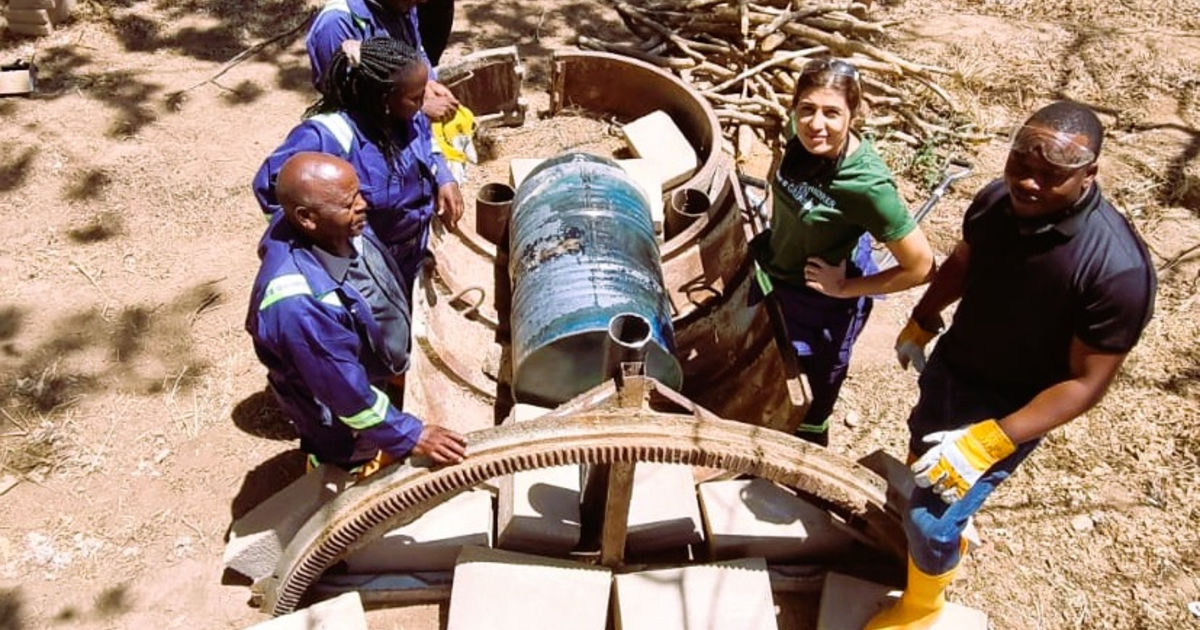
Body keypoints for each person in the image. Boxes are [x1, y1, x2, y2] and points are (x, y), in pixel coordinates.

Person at [865, 101, 1156, 629]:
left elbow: (1086, 383)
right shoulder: (998, 202)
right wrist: (924, 318)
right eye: (1021, 166)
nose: (1029, 184)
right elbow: (963, 262)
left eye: (1052, 176)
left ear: (1089, 175)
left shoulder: (1115, 271)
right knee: (921, 450)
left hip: (1014, 407)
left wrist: (989, 441)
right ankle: (939, 534)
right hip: (956, 365)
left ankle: (921, 609)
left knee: (930, 522)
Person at [247, 152, 468, 475]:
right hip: (337, 412)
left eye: (359, 193)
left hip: (349, 367)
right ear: (306, 217)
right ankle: (347, 471)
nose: (363, 205)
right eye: (349, 203)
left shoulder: (322, 226)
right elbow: (346, 395)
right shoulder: (302, 307)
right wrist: (412, 435)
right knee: (347, 447)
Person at [755, 58, 935, 447]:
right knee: (771, 368)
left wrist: (843, 288)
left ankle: (805, 464)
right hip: (778, 274)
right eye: (807, 109)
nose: (816, 124)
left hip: (824, 306)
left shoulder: (866, 185)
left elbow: (920, 266)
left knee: (813, 397)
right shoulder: (797, 136)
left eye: (831, 113)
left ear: (854, 114)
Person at [253, 37, 463, 290]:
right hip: (366, 272)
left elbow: (426, 143)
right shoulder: (330, 136)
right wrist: (328, 250)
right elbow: (272, 187)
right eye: (416, 97)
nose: (424, 104)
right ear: (385, 98)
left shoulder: (410, 116)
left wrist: (443, 177)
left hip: (411, 255)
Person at [307, 0, 459, 122]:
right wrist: (419, 109)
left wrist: (428, 84)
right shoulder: (335, 25)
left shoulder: (403, 5)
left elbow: (417, 50)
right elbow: (348, 106)